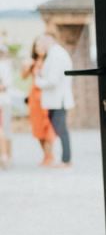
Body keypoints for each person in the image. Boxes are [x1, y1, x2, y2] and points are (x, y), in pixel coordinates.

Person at [35, 33, 74, 168]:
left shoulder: (56, 55)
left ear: (48, 41)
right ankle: (65, 159)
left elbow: (53, 80)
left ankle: (66, 160)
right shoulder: (54, 54)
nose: (39, 45)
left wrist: (38, 80)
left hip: (58, 100)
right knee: (60, 129)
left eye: (41, 42)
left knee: (61, 130)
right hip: (55, 100)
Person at [21, 38, 56, 166]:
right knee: (38, 127)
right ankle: (45, 156)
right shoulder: (32, 62)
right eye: (37, 46)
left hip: (46, 97)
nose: (39, 48)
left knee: (48, 127)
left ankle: (50, 156)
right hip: (34, 99)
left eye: (41, 46)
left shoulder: (50, 60)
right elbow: (23, 77)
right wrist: (26, 66)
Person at [0, 42, 12, 169]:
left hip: (3, 102)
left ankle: (6, 156)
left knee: (4, 130)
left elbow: (5, 86)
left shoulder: (4, 66)